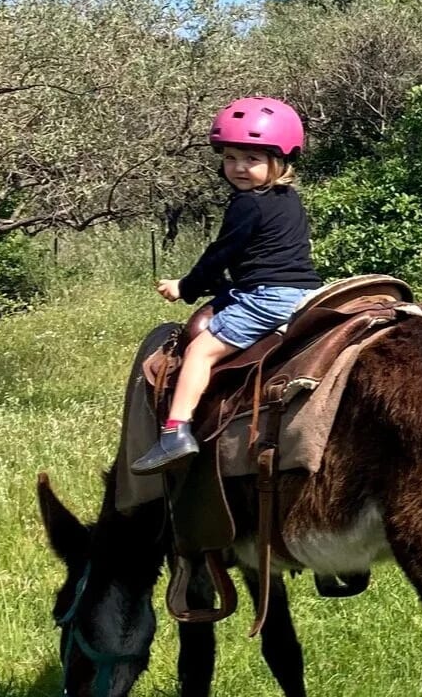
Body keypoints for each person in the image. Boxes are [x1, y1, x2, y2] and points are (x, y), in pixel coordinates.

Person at [131, 98, 320, 474]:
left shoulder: (247, 204)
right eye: (231, 157)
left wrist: (185, 287)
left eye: (252, 158)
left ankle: (175, 433)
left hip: (267, 298)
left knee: (200, 352)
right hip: (305, 295)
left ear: (279, 161)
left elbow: (220, 254)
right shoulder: (289, 199)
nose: (239, 167)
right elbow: (260, 257)